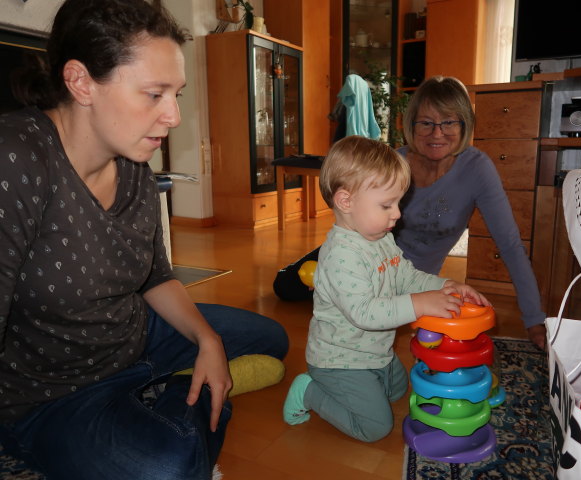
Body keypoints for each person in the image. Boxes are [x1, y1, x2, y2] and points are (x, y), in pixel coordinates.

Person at [0, 1, 288, 479]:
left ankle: (177, 386)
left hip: (134, 337)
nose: (173, 116)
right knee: (166, 468)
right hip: (53, 390)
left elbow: (155, 275)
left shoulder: (134, 166)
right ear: (80, 82)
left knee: (270, 338)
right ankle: (180, 400)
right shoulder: (17, 161)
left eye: (175, 94)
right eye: (154, 94)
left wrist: (208, 340)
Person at [273, 76, 546, 350]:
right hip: (362, 255)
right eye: (426, 123)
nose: (437, 133)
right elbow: (351, 211)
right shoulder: (394, 163)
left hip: (411, 277)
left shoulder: (477, 169)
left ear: (464, 125)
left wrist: (534, 320)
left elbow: (510, 244)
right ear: (411, 124)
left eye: (449, 122)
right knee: (286, 285)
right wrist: (335, 274)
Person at [282, 136, 490, 442]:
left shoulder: (380, 238)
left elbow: (404, 276)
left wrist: (445, 285)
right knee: (375, 428)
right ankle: (310, 391)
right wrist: (419, 304)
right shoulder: (342, 255)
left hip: (374, 351)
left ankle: (362, 386)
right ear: (346, 202)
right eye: (386, 205)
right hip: (339, 360)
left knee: (397, 390)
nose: (397, 213)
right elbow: (364, 313)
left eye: (398, 203)